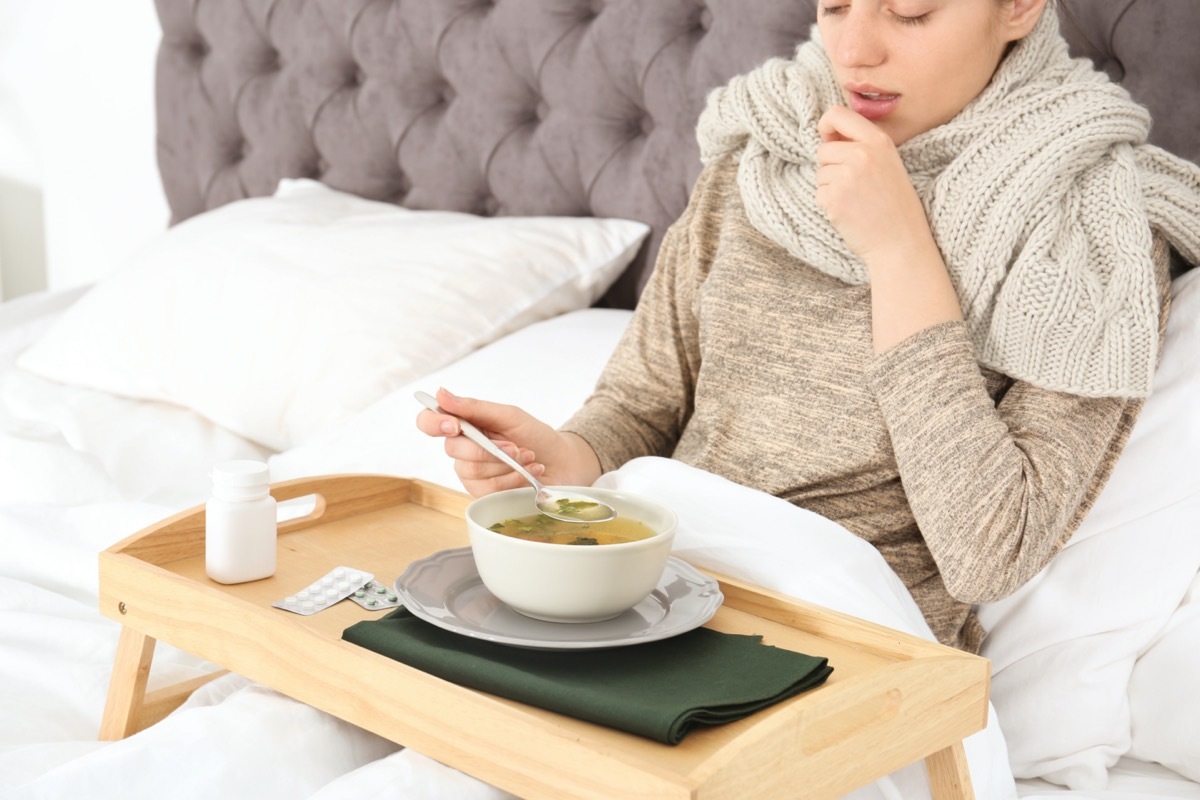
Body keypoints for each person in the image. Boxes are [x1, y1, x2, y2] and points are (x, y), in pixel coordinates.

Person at [417, 0, 1200, 652]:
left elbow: (988, 550)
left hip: (844, 664)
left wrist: (900, 253)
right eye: (835, 5)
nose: (855, 49)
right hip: (643, 612)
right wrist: (564, 459)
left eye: (911, 11)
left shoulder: (1091, 222)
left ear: (1020, 6)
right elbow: (644, 402)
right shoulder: (766, 153)